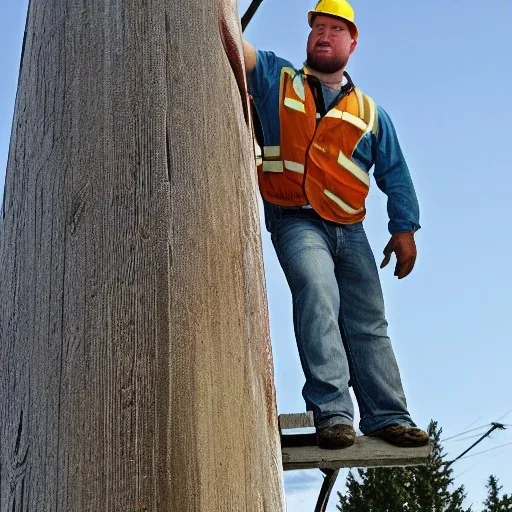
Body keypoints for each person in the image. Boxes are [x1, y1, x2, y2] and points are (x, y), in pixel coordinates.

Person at [242, 0, 429, 449]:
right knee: (318, 292)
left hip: (352, 230)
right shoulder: (277, 78)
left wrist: (404, 230)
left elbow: (396, 175)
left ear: (352, 41)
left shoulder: (370, 113)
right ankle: (333, 414)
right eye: (317, 28)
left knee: (369, 320)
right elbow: (236, 45)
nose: (323, 35)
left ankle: (388, 416)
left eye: (334, 29)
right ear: (309, 39)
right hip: (296, 221)